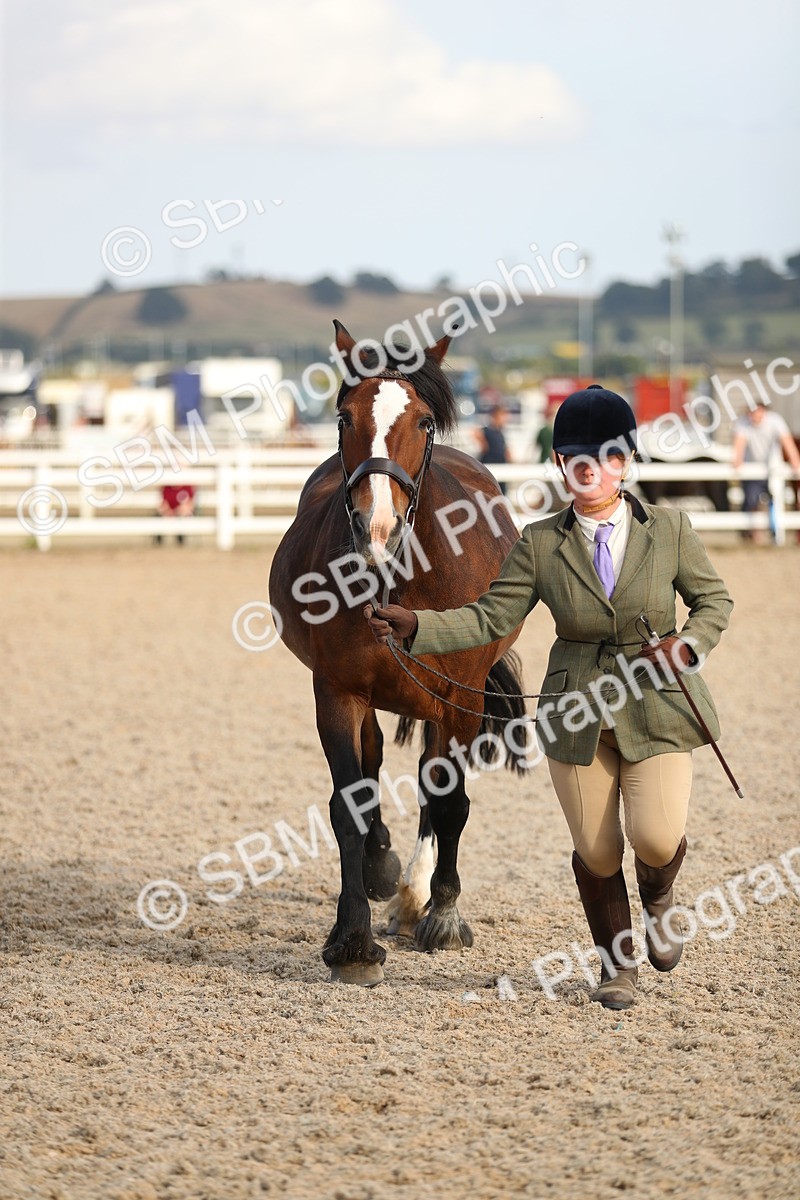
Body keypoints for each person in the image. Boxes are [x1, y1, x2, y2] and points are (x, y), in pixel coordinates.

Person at [365, 385, 733, 1011]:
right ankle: (617, 968)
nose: (589, 468)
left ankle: (660, 895)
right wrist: (419, 625)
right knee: (595, 850)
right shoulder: (538, 542)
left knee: (655, 838)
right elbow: (488, 617)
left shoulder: (670, 529)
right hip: (577, 710)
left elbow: (714, 602)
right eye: (575, 458)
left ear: (624, 461)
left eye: (604, 457)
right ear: (561, 465)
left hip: (660, 704)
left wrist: (687, 646)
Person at [731, 400, 800, 539]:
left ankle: (775, 534)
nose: (755, 415)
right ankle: (753, 535)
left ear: (764, 411)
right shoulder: (742, 423)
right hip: (751, 468)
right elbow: (739, 444)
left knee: (775, 499)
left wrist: (795, 462)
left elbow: (786, 441)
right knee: (751, 501)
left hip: (773, 467)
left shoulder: (775, 421)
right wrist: (737, 461)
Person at [475, 404, 510, 494]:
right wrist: (482, 443)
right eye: (503, 416)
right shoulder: (488, 430)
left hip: (501, 465)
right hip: (490, 466)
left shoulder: (500, 433)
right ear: (495, 416)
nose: (505, 419)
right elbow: (475, 432)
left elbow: (504, 449)